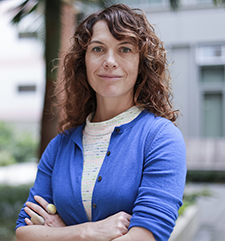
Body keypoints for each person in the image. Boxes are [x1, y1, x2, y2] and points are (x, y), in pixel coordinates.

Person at [15, 4, 186, 241]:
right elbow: (24, 232)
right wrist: (88, 232)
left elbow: (146, 237)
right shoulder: (60, 146)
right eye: (98, 49)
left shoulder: (160, 138)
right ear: (83, 62)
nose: (110, 61)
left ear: (141, 63)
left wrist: (60, 234)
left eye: (124, 49)